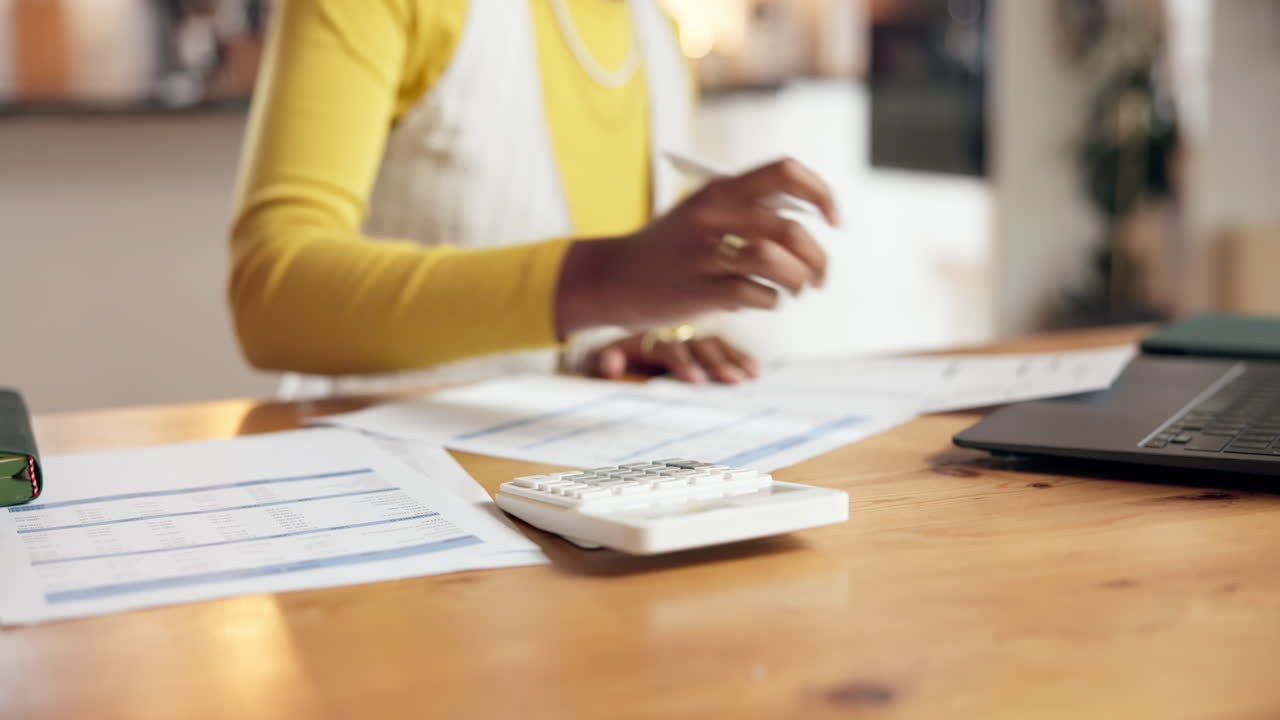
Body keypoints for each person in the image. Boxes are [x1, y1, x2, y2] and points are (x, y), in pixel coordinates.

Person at [228, 0, 838, 397]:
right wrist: (596, 282)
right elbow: (270, 295)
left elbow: (572, 316)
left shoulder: (660, 37)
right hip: (378, 496)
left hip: (567, 503)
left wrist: (612, 343)